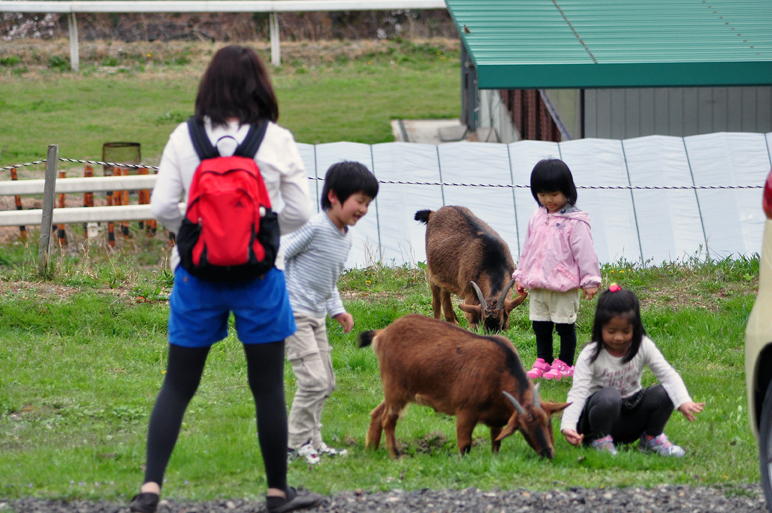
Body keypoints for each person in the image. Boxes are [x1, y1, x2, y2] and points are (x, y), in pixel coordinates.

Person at [130, 45, 321, 513]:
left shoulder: (184, 137)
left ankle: (150, 489)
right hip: (261, 279)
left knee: (177, 384)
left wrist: (197, 239)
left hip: (196, 278)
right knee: (268, 387)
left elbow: (160, 208)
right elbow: (301, 212)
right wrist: (261, 236)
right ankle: (278, 493)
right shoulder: (275, 139)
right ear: (261, 84)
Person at [282, 161, 379, 464]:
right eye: (359, 201)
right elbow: (279, 256)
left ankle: (314, 441)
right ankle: (292, 445)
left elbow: (329, 280)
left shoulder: (344, 235)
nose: (363, 209)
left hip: (316, 317)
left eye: (368, 203)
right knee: (313, 382)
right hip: (294, 315)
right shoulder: (314, 227)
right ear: (334, 197)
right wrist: (277, 298)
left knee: (327, 382)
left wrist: (337, 310)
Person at [560, 284, 705, 456]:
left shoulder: (643, 346)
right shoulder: (590, 354)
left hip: (629, 417)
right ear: (600, 328)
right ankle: (600, 442)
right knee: (610, 396)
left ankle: (652, 439)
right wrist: (568, 425)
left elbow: (668, 375)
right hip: (598, 419)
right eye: (611, 331)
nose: (619, 337)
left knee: (665, 390)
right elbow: (578, 392)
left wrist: (683, 401)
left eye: (626, 331)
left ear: (635, 328)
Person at [513, 159, 601, 380]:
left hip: (564, 284)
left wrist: (590, 281)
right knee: (540, 324)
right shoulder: (537, 216)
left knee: (564, 325)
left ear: (567, 191)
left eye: (553, 194)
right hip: (538, 283)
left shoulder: (575, 221)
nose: (548, 200)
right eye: (542, 195)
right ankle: (543, 360)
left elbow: (585, 252)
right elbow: (528, 248)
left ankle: (565, 362)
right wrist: (521, 275)